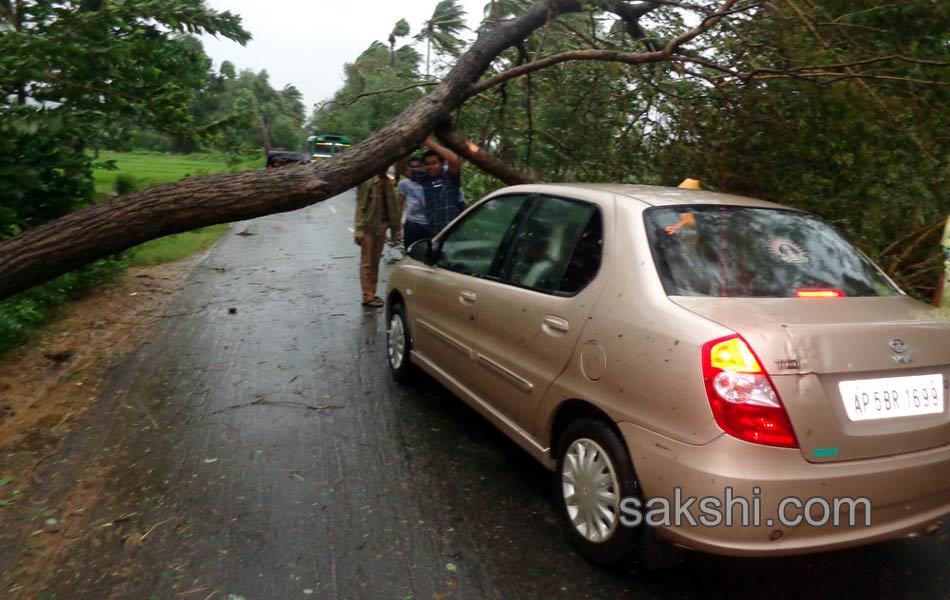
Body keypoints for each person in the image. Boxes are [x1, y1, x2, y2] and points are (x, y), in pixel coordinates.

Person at [396, 136, 463, 238]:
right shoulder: (424, 178)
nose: (430, 167)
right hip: (433, 233)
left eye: (434, 163)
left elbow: (454, 160)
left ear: (442, 163)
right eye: (427, 164)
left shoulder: (450, 177)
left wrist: (429, 142)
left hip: (452, 231)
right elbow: (401, 169)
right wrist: (403, 147)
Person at [354, 170, 401, 308]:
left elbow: (392, 208)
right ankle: (367, 295)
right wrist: (358, 230)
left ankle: (371, 293)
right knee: (367, 262)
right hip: (369, 227)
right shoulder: (368, 182)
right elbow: (361, 207)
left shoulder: (387, 182)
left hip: (382, 226)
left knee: (375, 261)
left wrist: (395, 229)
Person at [397, 156, 428, 250]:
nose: (416, 169)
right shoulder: (404, 184)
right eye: (413, 167)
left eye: (418, 166)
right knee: (411, 250)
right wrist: (397, 227)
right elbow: (400, 204)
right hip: (413, 222)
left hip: (429, 223)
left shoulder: (429, 181)